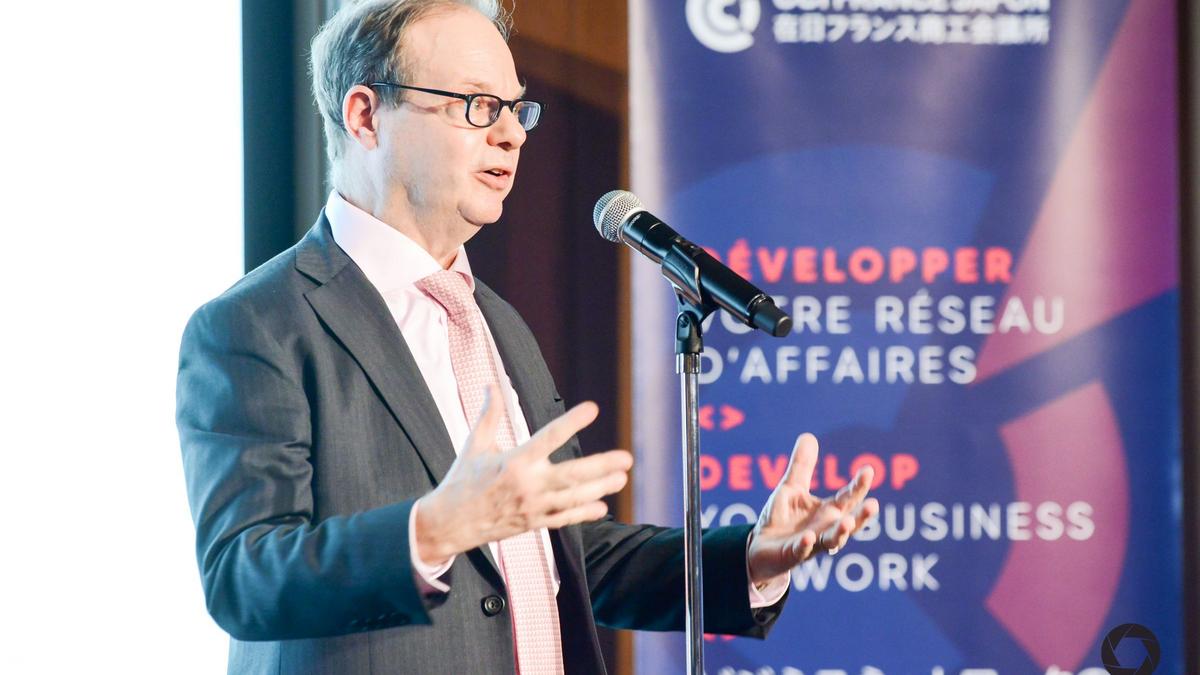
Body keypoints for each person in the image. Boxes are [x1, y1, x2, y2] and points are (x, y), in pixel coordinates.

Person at [176, 1, 880, 673]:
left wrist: (749, 559)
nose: (512, 134)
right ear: (366, 115)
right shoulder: (258, 324)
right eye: (478, 105)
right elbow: (244, 576)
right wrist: (435, 529)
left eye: (516, 109)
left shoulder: (494, 319)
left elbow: (565, 557)